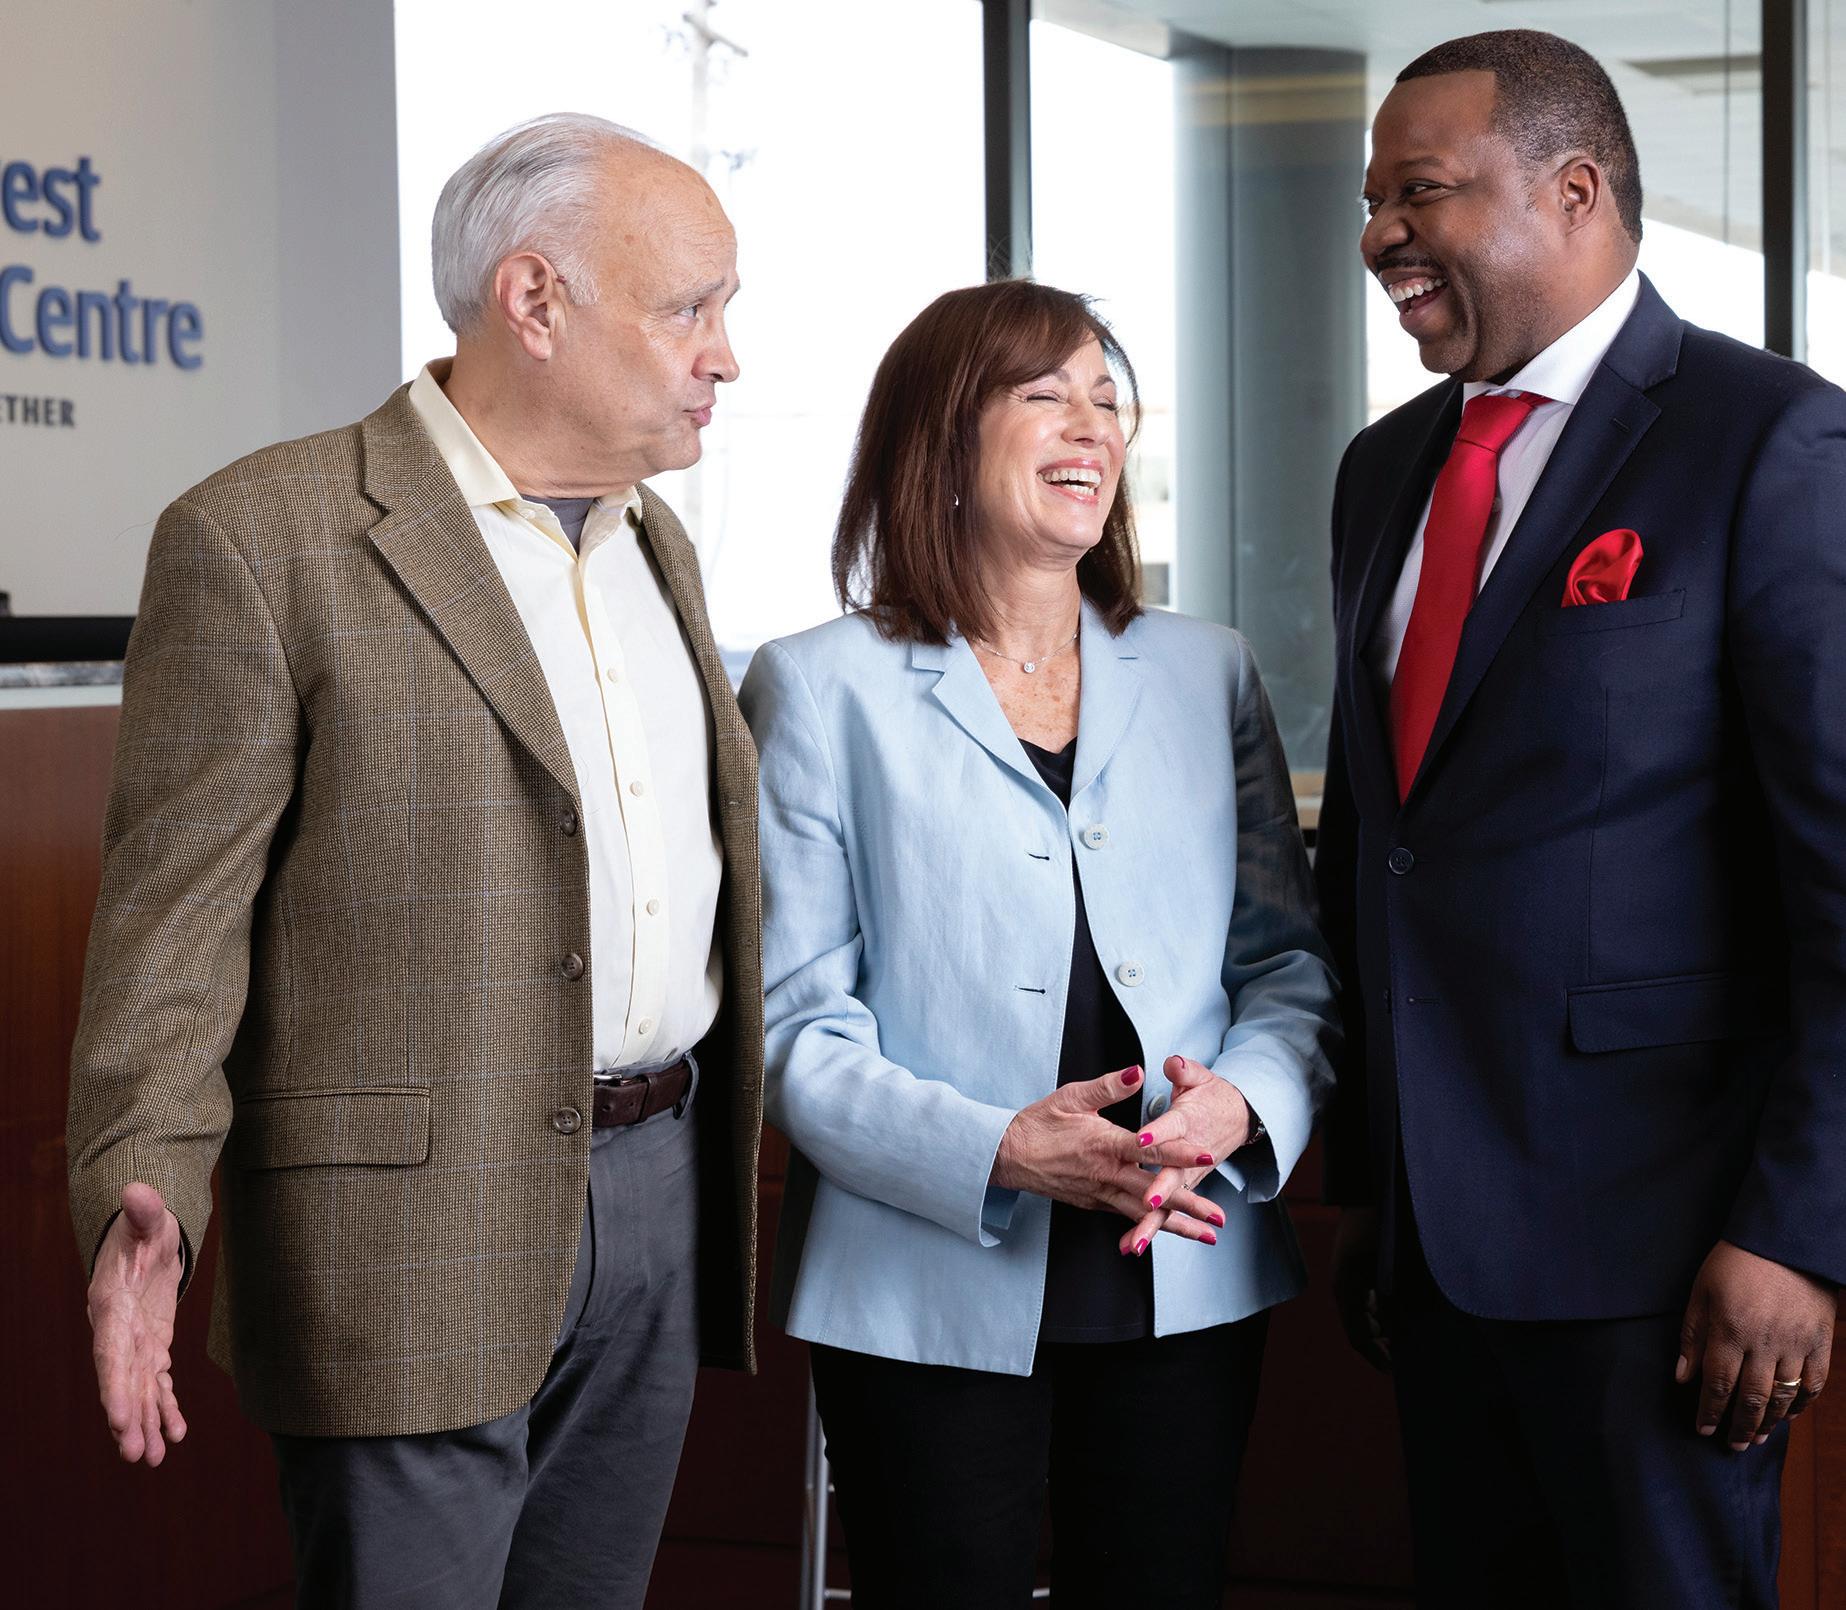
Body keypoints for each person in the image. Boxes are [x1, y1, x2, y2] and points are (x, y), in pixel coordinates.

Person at [66, 113, 762, 1609]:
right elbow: (172, 933)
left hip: (658, 1190)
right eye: (690, 308)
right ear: (535, 300)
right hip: (404, 1234)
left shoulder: (660, 548)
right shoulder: (264, 538)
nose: (725, 356)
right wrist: (142, 1189)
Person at [1318, 30, 1844, 1607]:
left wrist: (1798, 1234)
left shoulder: (1767, 439)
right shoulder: (1380, 472)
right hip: (1431, 1254)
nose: (1380, 235)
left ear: (1572, 190)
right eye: (1371, 201)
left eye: (1420, 191)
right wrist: (1375, 1184)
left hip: (1668, 1262)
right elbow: (1383, 847)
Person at [740, 279, 1338, 1610]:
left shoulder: (1207, 669)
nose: (1093, 426)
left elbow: (1286, 966)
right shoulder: (820, 685)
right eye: (1046, 393)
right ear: (942, 435)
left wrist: (1239, 1105)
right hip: (922, 1270)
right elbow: (792, 1027)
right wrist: (1000, 1149)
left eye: (1108, 399)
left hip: (1182, 1252)